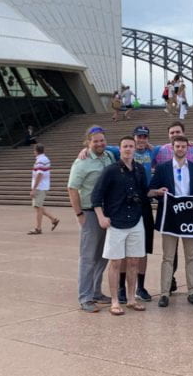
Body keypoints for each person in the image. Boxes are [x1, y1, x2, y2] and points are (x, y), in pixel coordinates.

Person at [92, 136, 150, 316]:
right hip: (116, 221)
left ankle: (132, 299)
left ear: (135, 149)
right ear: (120, 148)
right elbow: (96, 195)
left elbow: (144, 192)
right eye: (125, 146)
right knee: (116, 262)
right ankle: (115, 300)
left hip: (135, 220)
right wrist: (101, 216)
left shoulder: (139, 169)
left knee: (134, 260)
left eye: (131, 146)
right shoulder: (110, 171)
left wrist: (156, 192)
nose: (128, 149)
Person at [148, 135, 193, 307]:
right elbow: (150, 190)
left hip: (189, 218)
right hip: (170, 217)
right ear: (172, 148)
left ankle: (192, 291)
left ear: (187, 148)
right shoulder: (163, 168)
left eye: (183, 146)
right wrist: (158, 191)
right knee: (168, 256)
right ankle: (164, 293)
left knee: (191, 256)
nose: (180, 149)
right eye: (177, 146)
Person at [68, 126, 115, 312]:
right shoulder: (81, 163)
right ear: (88, 142)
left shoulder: (109, 156)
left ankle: (96, 291)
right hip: (89, 213)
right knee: (88, 258)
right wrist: (79, 214)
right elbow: (72, 189)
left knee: (103, 255)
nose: (100, 144)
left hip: (107, 212)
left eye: (102, 140)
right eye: (95, 141)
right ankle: (85, 297)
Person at [28, 144, 60, 235]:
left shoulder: (41, 160)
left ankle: (38, 228)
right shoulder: (44, 159)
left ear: (36, 151)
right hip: (43, 186)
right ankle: (54, 219)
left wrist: (34, 189)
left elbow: (39, 174)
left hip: (40, 187)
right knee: (38, 206)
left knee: (38, 207)